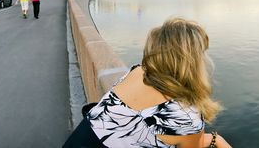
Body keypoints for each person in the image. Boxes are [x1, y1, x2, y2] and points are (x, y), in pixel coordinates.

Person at [63, 17, 232, 148]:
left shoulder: (137, 72)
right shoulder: (185, 117)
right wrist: (218, 140)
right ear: (192, 62)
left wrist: (212, 138)